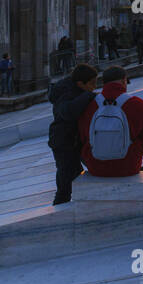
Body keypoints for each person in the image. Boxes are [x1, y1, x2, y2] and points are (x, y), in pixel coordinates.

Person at [77, 65, 143, 176]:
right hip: (128, 166)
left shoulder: (90, 105)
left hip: (96, 167)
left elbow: (83, 137)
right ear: (124, 81)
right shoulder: (136, 103)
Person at [49, 63, 98, 203]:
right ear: (80, 83)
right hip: (63, 142)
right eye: (92, 83)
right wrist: (88, 96)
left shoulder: (74, 91)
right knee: (66, 181)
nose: (94, 87)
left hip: (73, 141)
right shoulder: (66, 94)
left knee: (77, 175)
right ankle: (60, 208)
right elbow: (67, 112)